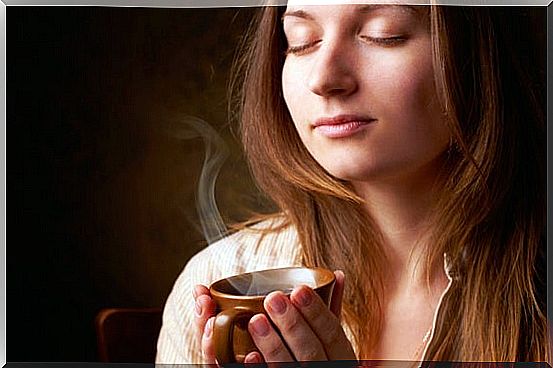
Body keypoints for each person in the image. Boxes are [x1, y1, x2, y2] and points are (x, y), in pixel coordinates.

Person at [156, 2, 548, 364]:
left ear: (483, 54)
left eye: (384, 34)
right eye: (302, 42)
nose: (324, 79)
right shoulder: (220, 274)